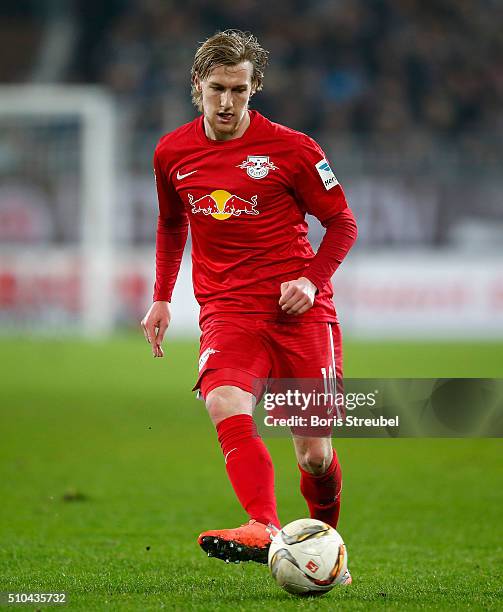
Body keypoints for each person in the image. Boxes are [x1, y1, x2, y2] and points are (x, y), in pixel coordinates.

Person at [141, 30, 357, 578]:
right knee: (223, 403)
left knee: (314, 456)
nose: (226, 102)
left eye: (238, 89)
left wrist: (310, 280)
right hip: (226, 310)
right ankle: (262, 524)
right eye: (216, 88)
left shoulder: (294, 148)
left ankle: (329, 543)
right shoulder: (172, 152)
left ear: (254, 87)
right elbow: (171, 224)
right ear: (197, 86)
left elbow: (342, 223)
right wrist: (162, 297)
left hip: (299, 314)